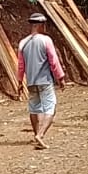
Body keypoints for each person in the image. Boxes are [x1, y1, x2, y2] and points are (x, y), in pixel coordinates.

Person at [17, 12, 66, 148]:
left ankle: (36, 135)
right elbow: (53, 61)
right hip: (45, 81)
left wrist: (20, 82)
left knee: (34, 109)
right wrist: (60, 77)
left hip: (31, 82)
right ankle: (40, 135)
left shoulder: (23, 43)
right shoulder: (46, 40)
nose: (45, 27)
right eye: (44, 25)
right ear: (39, 25)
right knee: (51, 108)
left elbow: (21, 65)